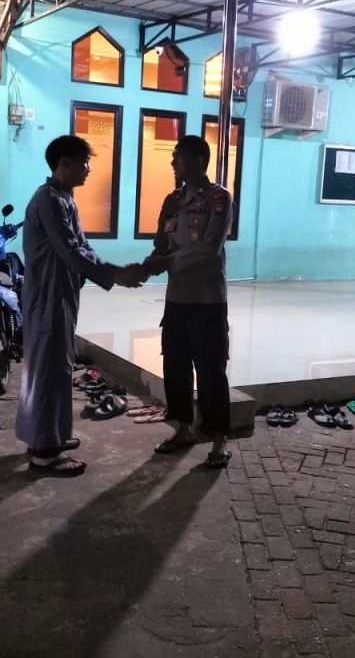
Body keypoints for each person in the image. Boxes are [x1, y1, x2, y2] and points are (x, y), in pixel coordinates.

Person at [15, 135, 145, 477]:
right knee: (48, 371)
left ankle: (48, 435)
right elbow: (71, 252)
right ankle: (44, 453)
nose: (88, 169)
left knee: (57, 367)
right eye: (84, 163)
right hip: (47, 296)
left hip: (60, 295)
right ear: (65, 164)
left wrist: (114, 271)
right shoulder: (49, 200)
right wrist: (115, 274)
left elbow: (82, 247)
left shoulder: (64, 199)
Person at [142, 134, 235, 469]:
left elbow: (209, 248)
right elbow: (161, 243)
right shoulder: (172, 200)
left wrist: (165, 262)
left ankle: (219, 439)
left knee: (211, 370)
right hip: (177, 299)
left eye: (178, 157)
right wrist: (150, 262)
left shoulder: (218, 198)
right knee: (175, 365)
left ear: (198, 161)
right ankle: (183, 429)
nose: (173, 163)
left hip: (207, 300)